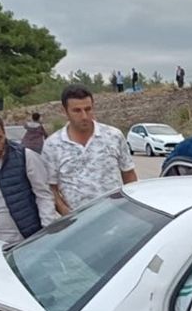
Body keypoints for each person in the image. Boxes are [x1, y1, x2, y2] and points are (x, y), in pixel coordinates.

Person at [43, 84, 137, 215]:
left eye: (88, 109)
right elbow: (51, 188)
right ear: (64, 111)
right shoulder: (52, 145)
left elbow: (129, 175)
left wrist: (131, 208)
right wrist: (67, 215)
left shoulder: (113, 136)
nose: (84, 116)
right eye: (77, 111)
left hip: (116, 216)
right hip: (79, 224)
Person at [0, 111, 56, 243]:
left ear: (4, 134)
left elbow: (43, 196)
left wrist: (47, 236)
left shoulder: (26, 157)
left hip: (22, 240)